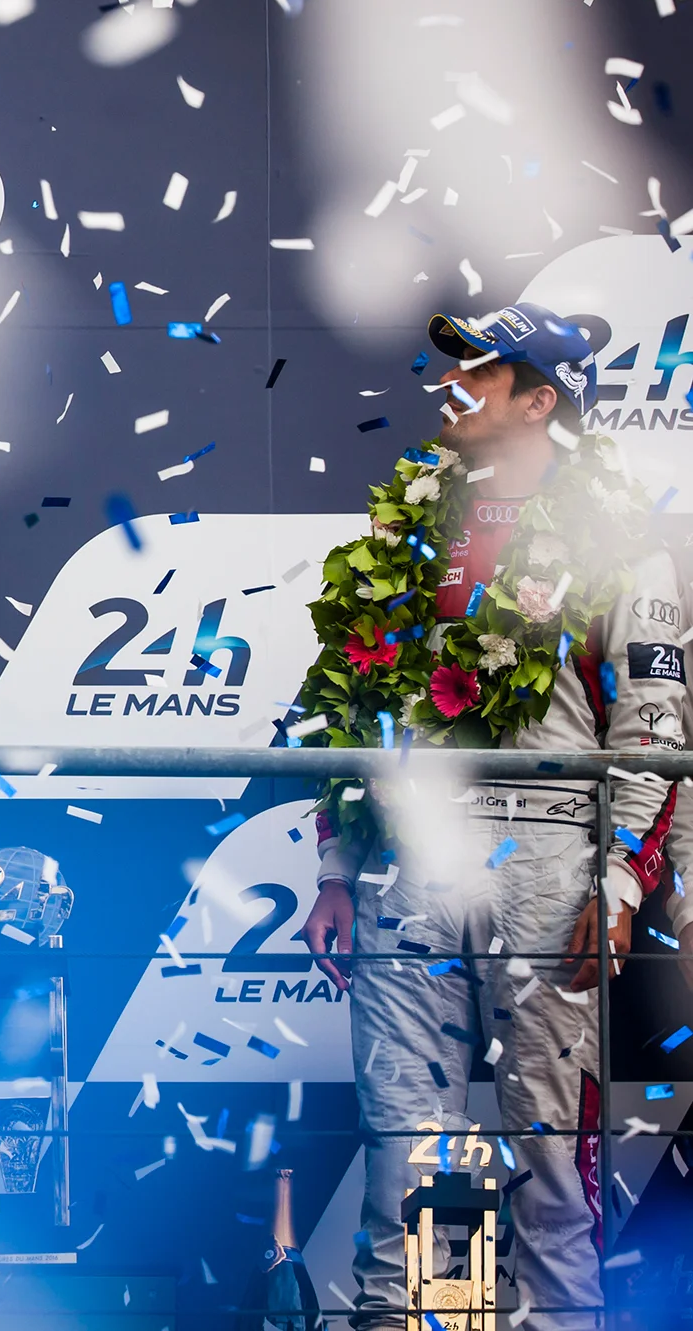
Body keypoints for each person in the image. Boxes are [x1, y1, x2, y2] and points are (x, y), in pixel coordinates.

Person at [296, 304, 685, 1331]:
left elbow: (654, 730)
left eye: (477, 372)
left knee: (552, 1158)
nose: (447, 386)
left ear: (538, 399)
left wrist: (615, 885)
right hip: (409, 855)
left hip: (549, 848)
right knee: (406, 1149)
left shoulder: (622, 537)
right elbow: (346, 705)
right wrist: (335, 866)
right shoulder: (405, 525)